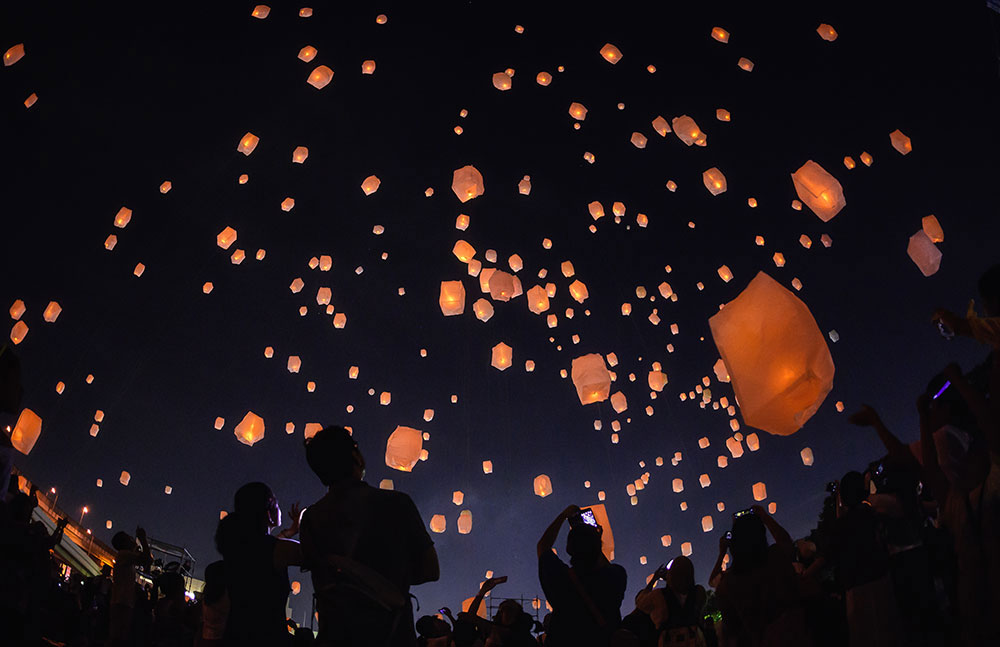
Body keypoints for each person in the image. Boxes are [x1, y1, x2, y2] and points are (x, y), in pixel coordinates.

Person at [299, 425, 439, 647]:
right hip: (392, 635)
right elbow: (430, 569)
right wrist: (387, 578)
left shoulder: (310, 519)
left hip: (336, 637)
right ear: (356, 457)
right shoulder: (397, 504)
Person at [214, 482, 301, 646]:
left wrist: (290, 531)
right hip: (267, 638)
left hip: (236, 635)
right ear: (269, 513)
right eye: (276, 503)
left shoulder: (240, 546)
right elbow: (315, 553)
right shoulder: (275, 549)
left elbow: (267, 550)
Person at [714, 506, 810, 647]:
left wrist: (722, 552)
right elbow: (786, 542)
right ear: (762, 535)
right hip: (796, 636)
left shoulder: (729, 583)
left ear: (734, 543)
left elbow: (732, 627)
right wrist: (764, 516)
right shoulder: (776, 557)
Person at [536, 504, 627, 646]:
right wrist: (596, 542)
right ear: (598, 546)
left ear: (568, 549)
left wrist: (563, 515)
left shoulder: (562, 580)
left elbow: (543, 547)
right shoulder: (616, 576)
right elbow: (605, 565)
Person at [632, 557, 709, 647]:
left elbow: (640, 602)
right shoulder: (699, 592)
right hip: (694, 640)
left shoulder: (658, 596)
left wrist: (654, 579)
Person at [110, 526, 153, 646]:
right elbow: (147, 560)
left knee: (118, 637)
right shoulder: (124, 555)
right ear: (124, 542)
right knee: (119, 638)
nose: (132, 539)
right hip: (122, 602)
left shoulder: (124, 557)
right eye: (129, 538)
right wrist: (143, 539)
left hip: (122, 601)